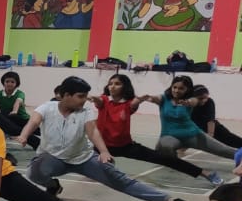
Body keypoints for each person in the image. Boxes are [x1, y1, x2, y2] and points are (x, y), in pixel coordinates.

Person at [15, 77, 194, 201]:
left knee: (123, 181)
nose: (84, 100)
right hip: (53, 159)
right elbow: (34, 121)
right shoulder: (47, 107)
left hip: (83, 158)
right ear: (66, 95)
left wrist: (103, 152)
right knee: (33, 173)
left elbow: (92, 132)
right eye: (80, 96)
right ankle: (53, 185)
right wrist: (24, 135)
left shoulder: (86, 111)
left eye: (86, 96)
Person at [90, 74, 219, 185]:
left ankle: (206, 173)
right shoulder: (104, 100)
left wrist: (139, 101)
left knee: (164, 158)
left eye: (117, 84)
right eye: (110, 84)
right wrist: (93, 98)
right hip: (102, 147)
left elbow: (133, 104)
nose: (112, 86)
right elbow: (99, 100)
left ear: (124, 87)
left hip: (125, 146)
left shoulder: (129, 103)